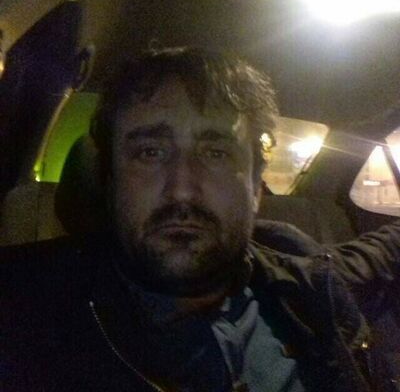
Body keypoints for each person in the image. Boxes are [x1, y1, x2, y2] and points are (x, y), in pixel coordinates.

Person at [1, 46, 400, 392]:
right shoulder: (21, 312)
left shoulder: (311, 285)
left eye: (215, 154)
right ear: (109, 181)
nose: (182, 190)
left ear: (256, 186)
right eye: (150, 153)